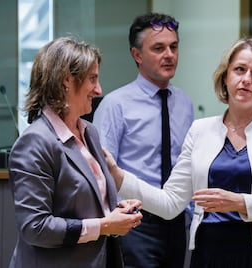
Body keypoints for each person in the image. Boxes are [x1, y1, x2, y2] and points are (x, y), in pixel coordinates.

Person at [105, 37, 252, 268]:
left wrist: (241, 203)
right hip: (208, 252)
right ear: (225, 76)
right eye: (239, 69)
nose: (246, 80)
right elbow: (169, 203)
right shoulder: (201, 130)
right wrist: (118, 176)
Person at [8, 37, 142, 268]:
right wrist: (104, 226)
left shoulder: (89, 131)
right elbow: (35, 228)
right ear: (67, 80)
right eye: (93, 79)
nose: (99, 90)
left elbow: (88, 205)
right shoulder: (34, 142)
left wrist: (117, 211)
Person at [93, 12, 194, 268]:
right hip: (135, 223)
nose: (169, 55)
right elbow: (102, 171)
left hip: (176, 222)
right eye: (158, 48)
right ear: (137, 55)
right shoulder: (115, 105)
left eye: (173, 46)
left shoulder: (184, 102)